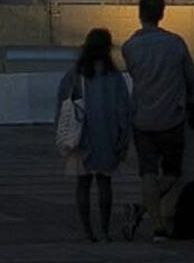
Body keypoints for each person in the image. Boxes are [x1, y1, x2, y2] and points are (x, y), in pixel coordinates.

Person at [121, 0, 194, 242]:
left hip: (142, 117)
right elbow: (192, 79)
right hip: (172, 117)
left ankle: (157, 228)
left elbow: (136, 75)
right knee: (172, 172)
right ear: (162, 13)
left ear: (139, 14)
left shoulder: (129, 47)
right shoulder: (176, 43)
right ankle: (142, 211)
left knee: (147, 172)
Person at [57, 27, 131, 243]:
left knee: (83, 185)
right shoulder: (114, 76)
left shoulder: (74, 75)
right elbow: (124, 110)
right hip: (106, 139)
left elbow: (62, 107)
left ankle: (87, 231)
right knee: (105, 184)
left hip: (79, 138)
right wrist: (123, 139)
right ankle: (105, 230)